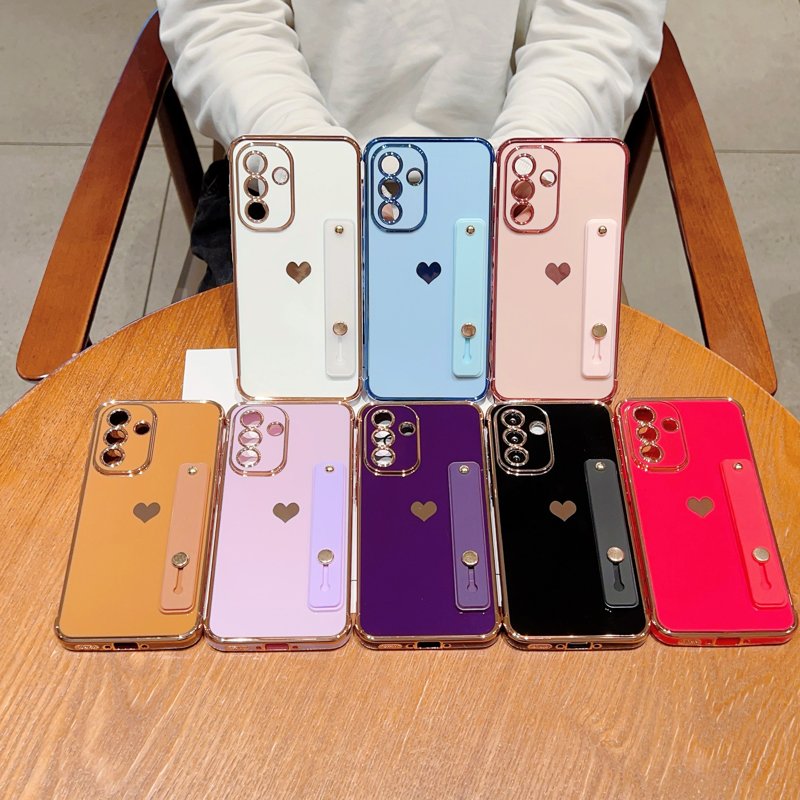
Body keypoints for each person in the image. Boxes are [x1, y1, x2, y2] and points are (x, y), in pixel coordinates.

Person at [157, 0, 666, 289]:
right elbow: (222, 18)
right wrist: (318, 168)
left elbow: (598, 26)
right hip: (297, 167)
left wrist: (510, 177)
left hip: (516, 178)